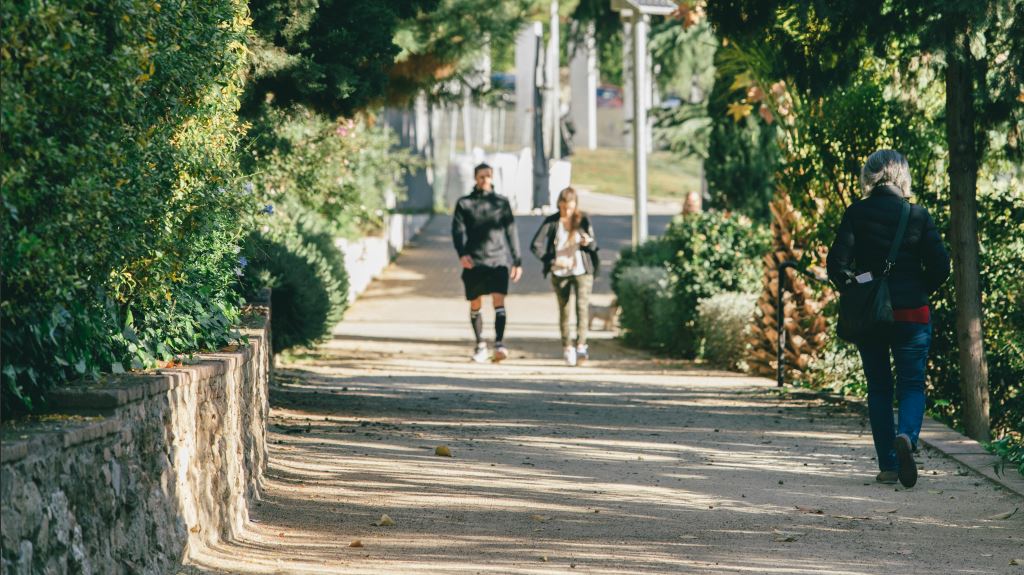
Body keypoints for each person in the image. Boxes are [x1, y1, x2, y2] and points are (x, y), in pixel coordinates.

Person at [827, 150, 950, 488]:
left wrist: (860, 286)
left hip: (873, 316)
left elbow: (837, 266)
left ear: (869, 176)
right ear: (903, 177)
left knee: (879, 387)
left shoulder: (857, 213)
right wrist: (918, 288)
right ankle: (907, 436)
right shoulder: (918, 215)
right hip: (913, 311)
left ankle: (888, 466)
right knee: (911, 384)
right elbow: (941, 267)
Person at [452, 163, 523, 363]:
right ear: (475, 178)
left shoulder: (501, 203)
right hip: (474, 260)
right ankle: (480, 345)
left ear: (492, 178)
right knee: (475, 302)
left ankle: (499, 344)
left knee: (499, 301)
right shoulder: (464, 203)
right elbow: (457, 231)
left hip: (498, 260)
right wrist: (462, 253)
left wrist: (517, 260)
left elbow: (511, 231)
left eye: (488, 176)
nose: (485, 180)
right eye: (481, 177)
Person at [530, 187, 599, 366]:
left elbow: (594, 245)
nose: (566, 211)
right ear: (559, 204)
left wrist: (587, 242)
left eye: (570, 207)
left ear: (575, 205)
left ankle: (582, 346)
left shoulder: (582, 219)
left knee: (582, 308)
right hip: (560, 271)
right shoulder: (552, 221)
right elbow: (535, 245)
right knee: (565, 309)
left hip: (582, 270)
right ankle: (567, 346)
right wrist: (551, 260)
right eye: (563, 207)